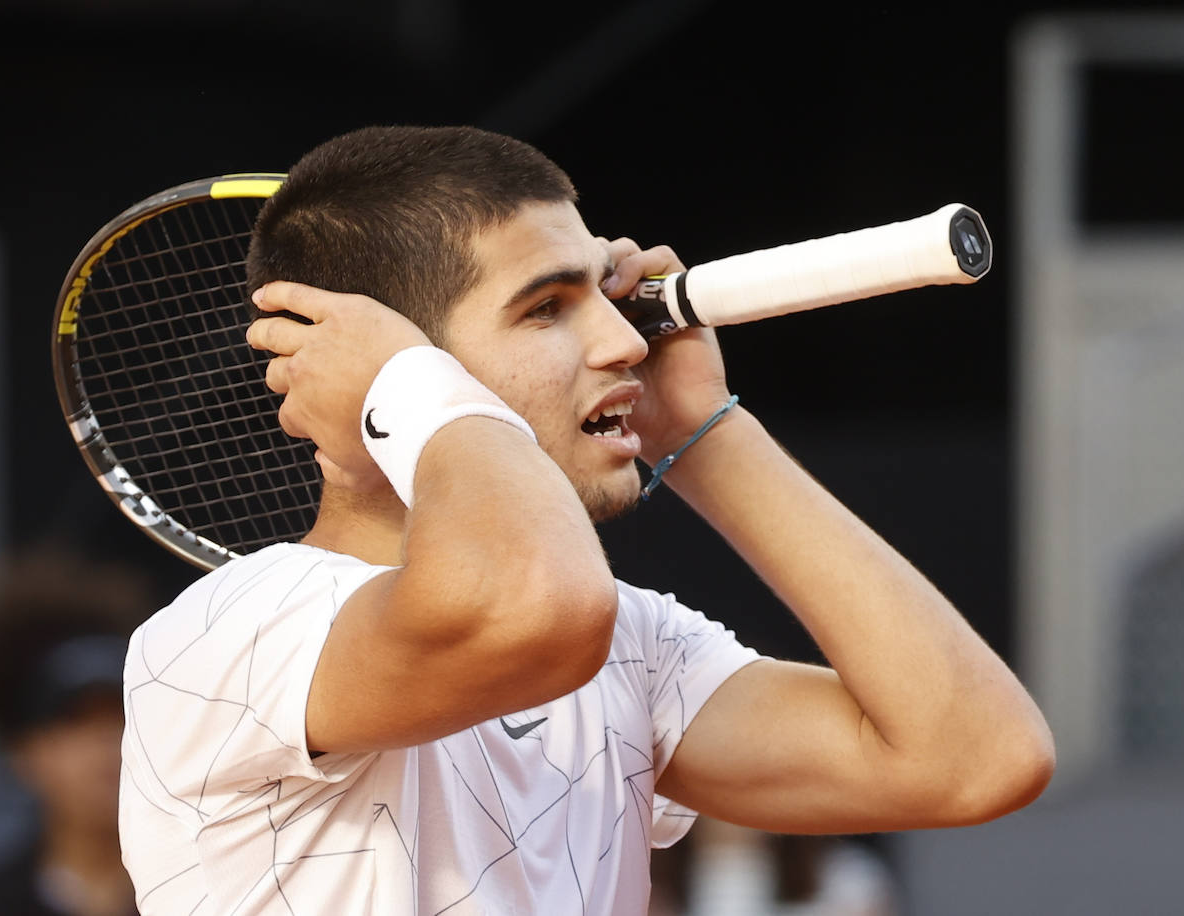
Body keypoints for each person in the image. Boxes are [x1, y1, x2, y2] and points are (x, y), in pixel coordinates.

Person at [117, 126, 1054, 915]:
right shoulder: (231, 633)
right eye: (546, 310)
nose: (625, 341)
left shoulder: (631, 651)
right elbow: (540, 612)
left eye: (606, 302)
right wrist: (406, 385)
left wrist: (704, 430)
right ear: (372, 363)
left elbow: (976, 760)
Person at [0, 549, 148, 916]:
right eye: (74, 720)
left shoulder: (205, 891)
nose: (106, 742)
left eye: (120, 715)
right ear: (24, 750)